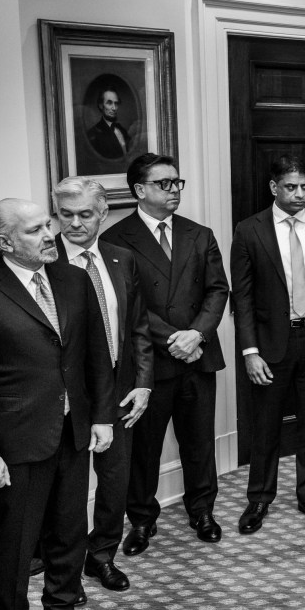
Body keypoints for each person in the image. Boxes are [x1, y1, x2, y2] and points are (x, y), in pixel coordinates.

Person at [0, 198, 115, 610]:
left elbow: (95, 354)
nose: (51, 234)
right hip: (15, 439)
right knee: (15, 546)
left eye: (49, 224)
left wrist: (102, 416)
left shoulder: (70, 278)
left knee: (69, 531)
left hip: (73, 429)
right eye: (35, 230)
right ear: (5, 243)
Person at [101, 153, 230, 552]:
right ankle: (141, 520)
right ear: (140, 190)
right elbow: (128, 305)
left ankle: (202, 510)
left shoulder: (199, 233)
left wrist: (196, 334)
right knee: (145, 447)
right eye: (164, 184)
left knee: (199, 442)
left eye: (177, 183)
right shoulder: (115, 239)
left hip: (198, 356)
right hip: (149, 363)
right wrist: (176, 338)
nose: (174, 190)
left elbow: (217, 290)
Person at [231, 156, 305, 534]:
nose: (299, 194)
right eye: (291, 187)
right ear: (274, 188)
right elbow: (243, 298)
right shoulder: (249, 231)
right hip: (269, 346)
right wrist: (249, 351)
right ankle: (259, 500)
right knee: (265, 426)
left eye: (304, 187)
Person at [52, 177, 153, 595]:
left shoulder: (120, 258)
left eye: (84, 214)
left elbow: (139, 328)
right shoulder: (45, 260)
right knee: (68, 493)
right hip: (67, 398)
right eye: (65, 214)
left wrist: (144, 383)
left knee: (115, 484)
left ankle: (102, 557)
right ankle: (65, 570)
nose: (74, 223)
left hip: (120, 389)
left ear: (103, 214)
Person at [85, 88, 132, 160]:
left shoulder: (122, 130)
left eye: (116, 103)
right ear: (101, 105)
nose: (114, 108)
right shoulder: (93, 134)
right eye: (109, 103)